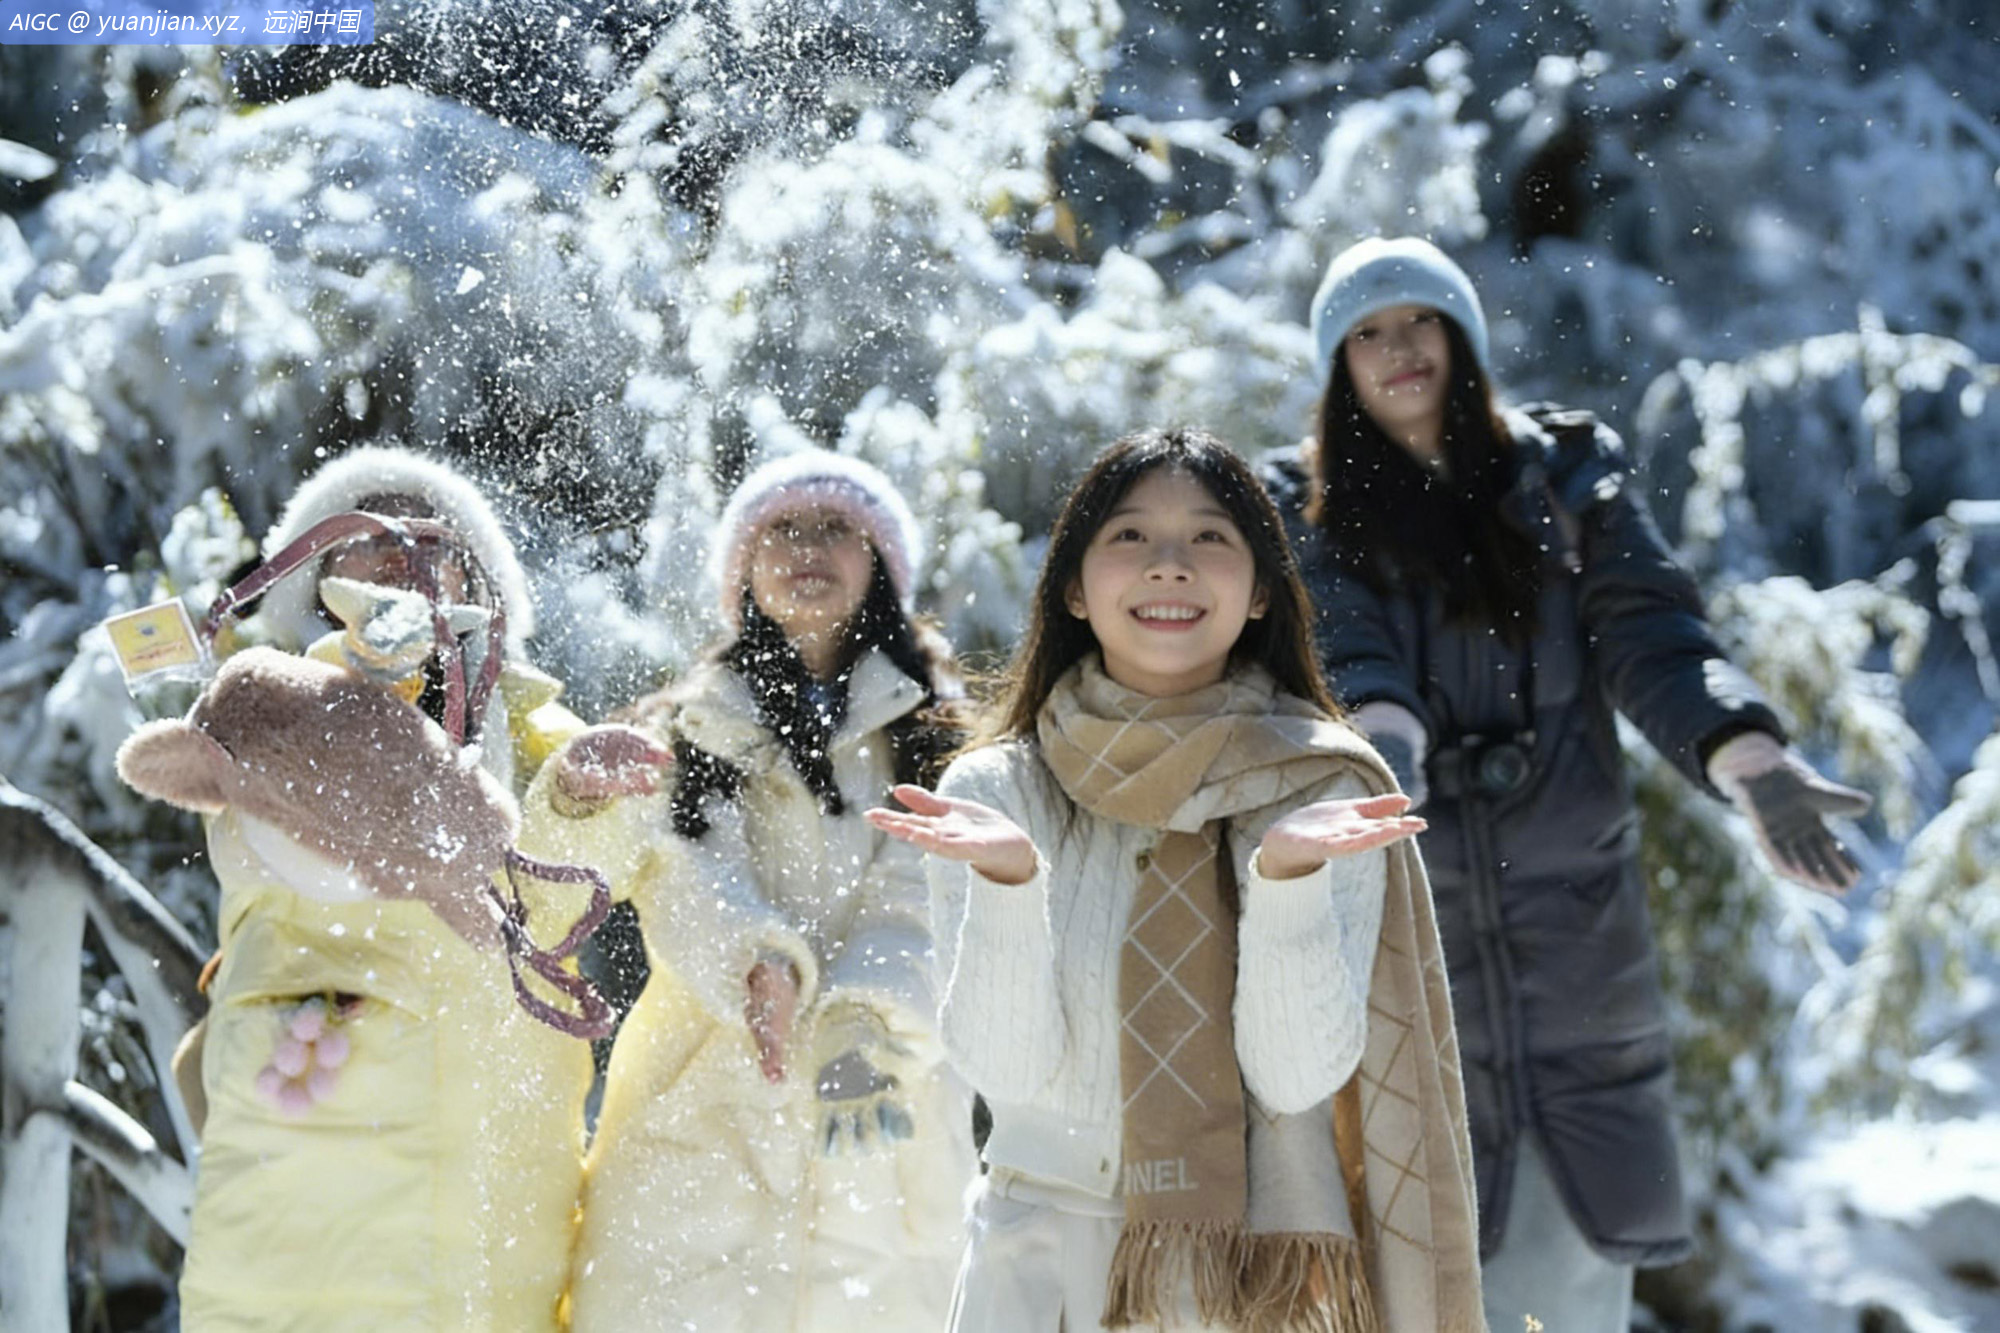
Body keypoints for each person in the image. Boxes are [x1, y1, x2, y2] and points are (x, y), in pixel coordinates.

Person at [1261, 236, 1874, 1331]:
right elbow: (1340, 640)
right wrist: (1381, 750)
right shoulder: (1299, 504)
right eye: (1367, 333)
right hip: (1408, 931)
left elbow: (1654, 635)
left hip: (1579, 948)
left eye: (1419, 322)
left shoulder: (1566, 478)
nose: (1398, 350)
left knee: (1575, 1280)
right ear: (1335, 366)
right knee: (1413, 1276)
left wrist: (1748, 758)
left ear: (1461, 338)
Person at [869, 428, 1486, 1333]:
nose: (1169, 566)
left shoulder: (1322, 786)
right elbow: (1004, 1074)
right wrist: (1007, 887)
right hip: (1041, 1270)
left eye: (1209, 538)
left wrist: (1288, 882)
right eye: (1129, 537)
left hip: (1257, 1283)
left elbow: (1295, 1075)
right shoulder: (997, 791)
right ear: (1073, 587)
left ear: (1263, 588)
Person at [517, 451, 976, 1332]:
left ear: (881, 561)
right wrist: (753, 964)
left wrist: (863, 1021)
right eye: (783, 530)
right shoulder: (686, 722)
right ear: (743, 567)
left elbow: (928, 896)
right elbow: (656, 875)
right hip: (700, 1112)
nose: (810, 547)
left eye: (838, 528)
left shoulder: (937, 732)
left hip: (884, 1109)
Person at [146, 446, 596, 1331]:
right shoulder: (260, 718)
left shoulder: (545, 729)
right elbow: (260, 851)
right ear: (314, 575)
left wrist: (589, 798)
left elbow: (590, 874)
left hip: (486, 1139)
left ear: (476, 572)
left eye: (429, 535)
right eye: (366, 529)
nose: (398, 547)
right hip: (318, 1137)